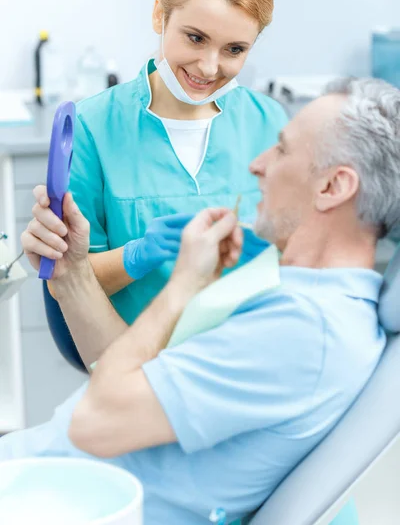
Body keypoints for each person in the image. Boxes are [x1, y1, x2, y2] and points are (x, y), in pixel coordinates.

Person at [5, 77, 399, 523]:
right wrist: (72, 272)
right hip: (51, 474)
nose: (257, 164)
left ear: (333, 187)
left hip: (60, 498)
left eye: (283, 150)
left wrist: (181, 286)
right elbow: (130, 380)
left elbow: (94, 421)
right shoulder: (291, 292)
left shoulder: (304, 330)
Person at [39, 0, 287, 326]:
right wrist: (135, 256)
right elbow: (65, 283)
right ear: (160, 14)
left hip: (247, 352)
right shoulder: (94, 126)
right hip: (138, 362)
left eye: (234, 49)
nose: (208, 67)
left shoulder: (270, 122)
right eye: (195, 38)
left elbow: (298, 253)